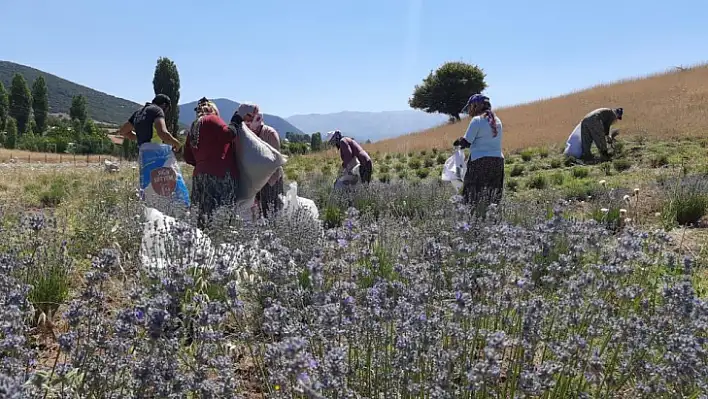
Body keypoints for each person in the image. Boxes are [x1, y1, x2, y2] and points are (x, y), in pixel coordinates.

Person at [183, 98, 240, 228]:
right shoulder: (212, 119)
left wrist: (201, 162)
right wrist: (235, 121)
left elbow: (187, 157)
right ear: (214, 110)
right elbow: (228, 134)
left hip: (199, 176)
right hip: (220, 174)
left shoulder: (193, 127)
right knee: (222, 213)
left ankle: (201, 242)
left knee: (201, 215)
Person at [452, 94, 504, 209]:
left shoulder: (477, 120)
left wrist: (457, 142)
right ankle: (493, 222)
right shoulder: (497, 120)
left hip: (480, 162)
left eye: (471, 106)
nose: (470, 110)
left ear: (476, 106)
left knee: (471, 196)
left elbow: (466, 142)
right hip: (498, 162)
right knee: (493, 196)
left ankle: (472, 222)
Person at [235, 103, 284, 218]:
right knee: (254, 215)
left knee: (272, 211)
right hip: (252, 182)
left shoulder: (270, 134)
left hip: (271, 181)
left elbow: (274, 162)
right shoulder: (245, 133)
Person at [116, 94, 182, 151]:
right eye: (167, 109)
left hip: (143, 153)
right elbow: (163, 133)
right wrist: (177, 144)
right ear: (164, 105)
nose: (166, 112)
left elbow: (123, 131)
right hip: (154, 152)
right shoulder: (157, 110)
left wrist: (141, 137)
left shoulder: (139, 112)